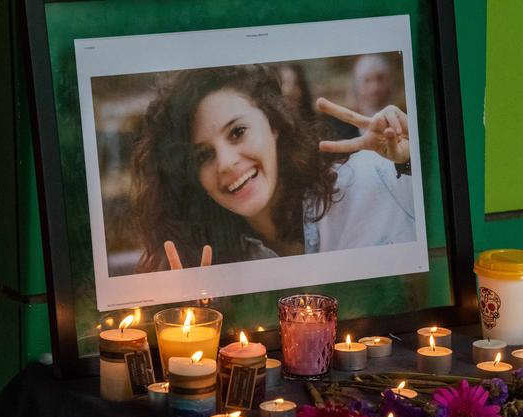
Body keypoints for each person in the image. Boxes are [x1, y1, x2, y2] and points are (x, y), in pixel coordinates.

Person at [131, 64, 414, 272]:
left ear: (274, 126)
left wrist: (415, 156)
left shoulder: (379, 174)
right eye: (203, 156)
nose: (226, 162)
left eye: (237, 132)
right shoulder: (206, 262)